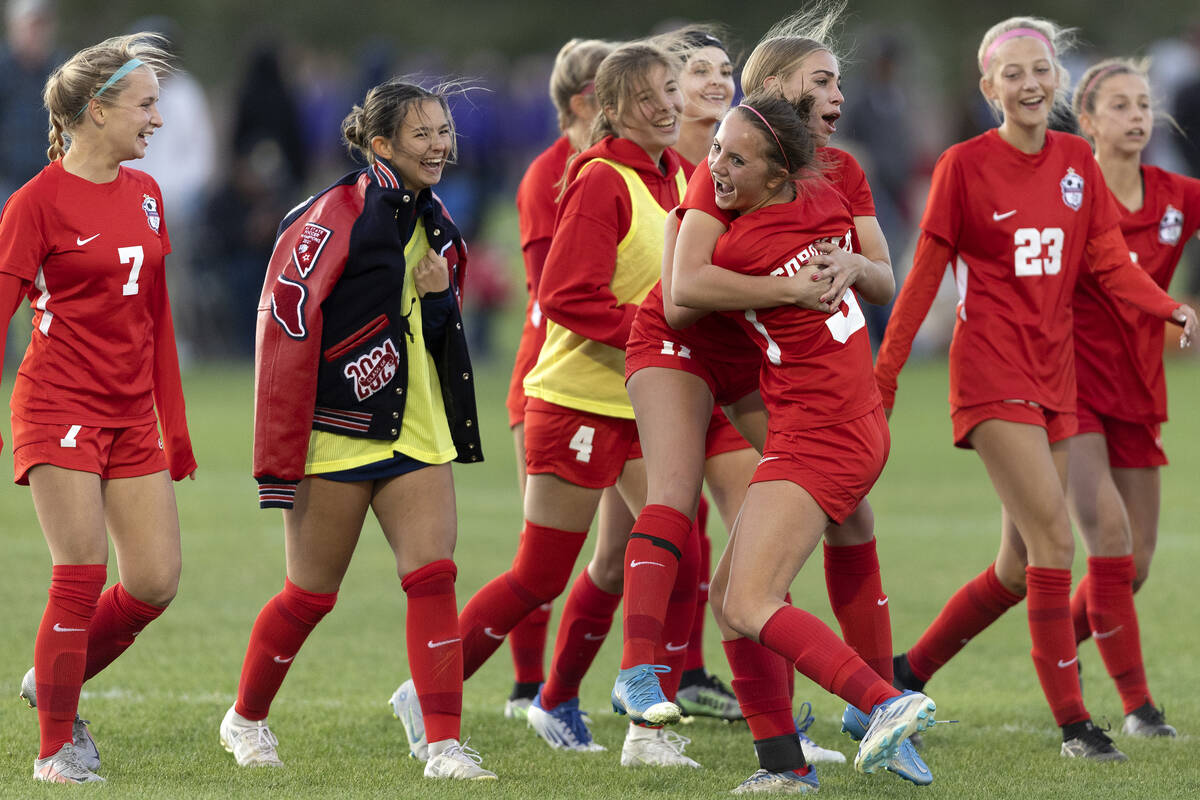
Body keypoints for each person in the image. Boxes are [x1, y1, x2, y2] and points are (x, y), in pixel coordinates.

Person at [875, 17, 1197, 762]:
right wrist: (884, 375)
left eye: (1040, 70)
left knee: (1018, 569)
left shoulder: (1075, 159)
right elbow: (924, 275)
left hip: (1057, 380)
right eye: (1011, 73)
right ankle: (1076, 725)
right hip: (992, 377)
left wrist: (1170, 308)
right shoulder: (962, 165)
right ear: (989, 89)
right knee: (1060, 539)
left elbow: (1111, 266)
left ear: (1057, 79)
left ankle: (902, 675)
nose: (1028, 84)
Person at [393, 39, 698, 768]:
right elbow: (563, 295)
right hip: (577, 402)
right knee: (541, 576)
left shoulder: (678, 174)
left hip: (640, 403)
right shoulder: (599, 179)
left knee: (662, 552)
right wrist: (654, 333)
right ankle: (429, 689)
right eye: (651, 95)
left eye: (672, 92)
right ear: (614, 108)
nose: (667, 106)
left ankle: (636, 725)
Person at [658, 5, 921, 779]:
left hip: (813, 422)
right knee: (742, 592)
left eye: (840, 82)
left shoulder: (776, 196)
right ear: (773, 91)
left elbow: (684, 291)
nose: (716, 167)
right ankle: (786, 763)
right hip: (834, 411)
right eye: (823, 82)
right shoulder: (783, 179)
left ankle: (881, 703)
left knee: (744, 598)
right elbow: (698, 284)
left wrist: (835, 272)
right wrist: (797, 281)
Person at [220, 77, 495, 782]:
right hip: (336, 430)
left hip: (416, 425)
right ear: (381, 144)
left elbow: (436, 333)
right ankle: (245, 719)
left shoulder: (435, 219)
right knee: (310, 594)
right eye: (423, 134)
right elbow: (284, 326)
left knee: (433, 577)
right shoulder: (332, 214)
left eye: (444, 132)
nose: (440, 146)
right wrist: (278, 453)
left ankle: (442, 746)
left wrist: (440, 299)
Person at [0, 33, 194, 784]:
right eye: (145, 105)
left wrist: (173, 428)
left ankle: (55, 677)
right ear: (95, 110)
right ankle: (56, 750)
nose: (158, 119)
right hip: (56, 407)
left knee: (153, 582)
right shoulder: (34, 204)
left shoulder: (147, 194)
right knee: (78, 573)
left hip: (129, 414)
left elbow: (157, 317)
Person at [1065, 57, 1198, 736]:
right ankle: (1139, 710)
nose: (1137, 116)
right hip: (1071, 389)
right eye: (1119, 105)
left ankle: (1054, 649)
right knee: (1110, 540)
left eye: (1143, 104)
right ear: (1087, 121)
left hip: (1140, 393)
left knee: (1137, 563)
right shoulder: (1068, 193)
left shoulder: (1178, 193)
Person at [499, 37, 613, 720]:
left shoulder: (631, 167)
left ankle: (659, 678)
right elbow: (554, 289)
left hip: (620, 376)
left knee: (646, 539)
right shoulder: (551, 173)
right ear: (584, 101)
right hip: (554, 377)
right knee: (542, 553)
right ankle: (525, 686)